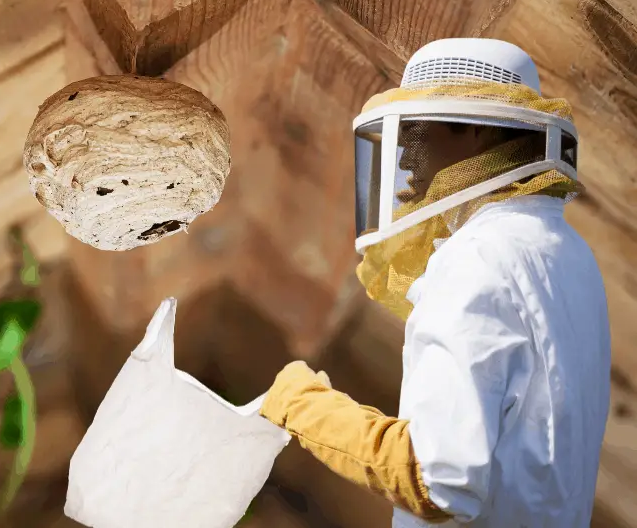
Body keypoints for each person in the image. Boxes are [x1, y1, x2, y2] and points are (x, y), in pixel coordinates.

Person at [259, 38, 611, 527]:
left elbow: (437, 479)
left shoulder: (480, 256)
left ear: (470, 131)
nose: (405, 158)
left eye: (418, 130)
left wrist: (303, 406)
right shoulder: (569, 255)